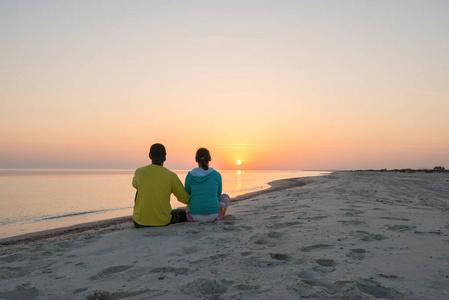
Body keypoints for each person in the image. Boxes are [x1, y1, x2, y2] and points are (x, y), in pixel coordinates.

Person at [132, 143, 190, 227]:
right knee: (181, 212)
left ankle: (145, 215)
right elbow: (184, 198)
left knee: (139, 189)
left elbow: (134, 185)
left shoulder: (139, 172)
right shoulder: (171, 175)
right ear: (165, 156)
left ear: (150, 156)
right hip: (163, 222)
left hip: (139, 222)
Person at [185, 148, 230, 223]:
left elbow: (187, 194)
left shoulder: (190, 175)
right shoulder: (217, 175)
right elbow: (218, 196)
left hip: (193, 217)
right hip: (214, 217)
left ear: (196, 159)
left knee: (190, 202)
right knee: (225, 197)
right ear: (209, 159)